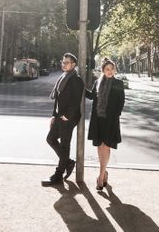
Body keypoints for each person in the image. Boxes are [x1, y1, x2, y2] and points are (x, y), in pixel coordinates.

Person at [42, 52, 84, 187]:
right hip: (59, 116)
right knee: (50, 139)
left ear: (73, 65)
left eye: (66, 62)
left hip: (68, 118)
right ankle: (68, 162)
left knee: (65, 146)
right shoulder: (63, 77)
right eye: (63, 62)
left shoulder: (76, 79)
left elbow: (76, 101)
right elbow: (58, 99)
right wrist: (54, 115)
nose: (63, 64)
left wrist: (67, 115)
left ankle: (58, 175)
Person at [86, 58, 125, 191]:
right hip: (98, 119)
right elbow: (91, 96)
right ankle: (104, 172)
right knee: (99, 146)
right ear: (103, 70)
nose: (110, 71)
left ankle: (101, 176)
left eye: (112, 69)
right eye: (107, 69)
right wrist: (79, 84)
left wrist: (114, 116)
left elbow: (121, 104)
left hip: (110, 120)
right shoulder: (97, 82)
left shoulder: (119, 83)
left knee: (106, 146)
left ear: (114, 70)